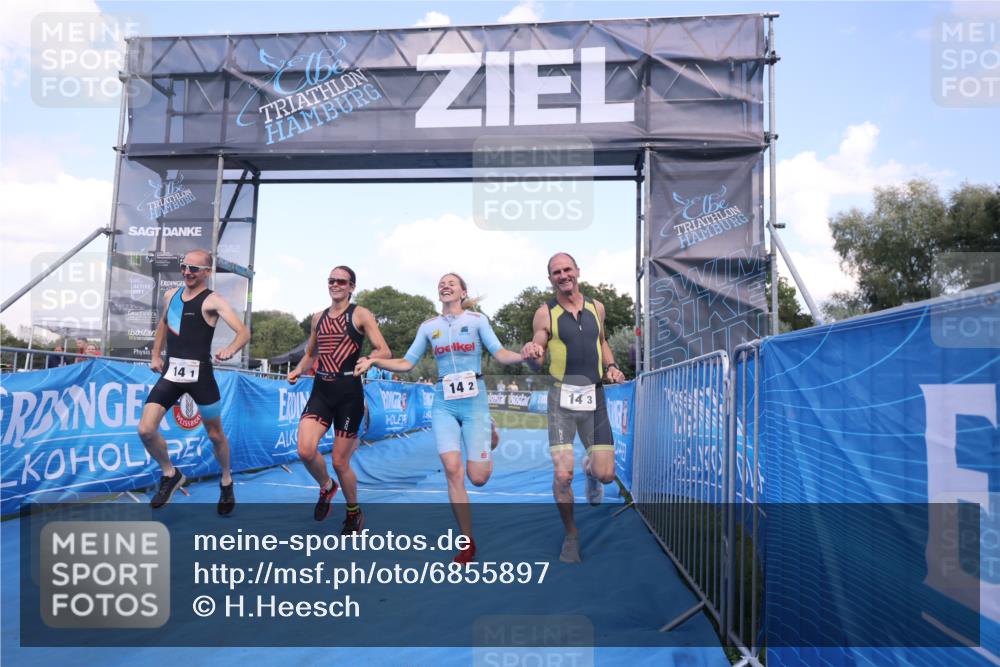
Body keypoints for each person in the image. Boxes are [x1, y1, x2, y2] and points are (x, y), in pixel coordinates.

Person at [356, 273, 531, 563]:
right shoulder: (429, 327)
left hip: (474, 401)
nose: (445, 285)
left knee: (478, 478)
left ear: (463, 292)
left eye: (452, 283)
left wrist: (523, 355)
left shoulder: (477, 321)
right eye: (442, 283)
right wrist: (375, 360)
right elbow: (407, 362)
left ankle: (488, 431)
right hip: (444, 402)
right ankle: (466, 542)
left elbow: (499, 353)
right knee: (452, 469)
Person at [522, 252, 626, 563]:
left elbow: (603, 341)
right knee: (562, 475)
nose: (563, 275)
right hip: (561, 399)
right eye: (556, 272)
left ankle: (591, 473)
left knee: (607, 475)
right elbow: (539, 351)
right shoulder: (545, 313)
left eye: (567, 269)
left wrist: (612, 366)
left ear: (578, 271)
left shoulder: (598, 307)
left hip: (594, 397)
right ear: (550, 278)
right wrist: (533, 352)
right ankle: (571, 535)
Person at [137, 249, 251, 515]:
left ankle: (226, 479)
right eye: (184, 266)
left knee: (214, 434)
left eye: (194, 269)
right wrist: (155, 354)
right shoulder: (171, 295)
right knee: (145, 430)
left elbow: (243, 331)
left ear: (207, 273)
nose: (187, 272)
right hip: (172, 374)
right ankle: (171, 473)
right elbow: (164, 324)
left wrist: (230, 350)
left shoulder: (213, 300)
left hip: (200, 376)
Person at [289, 266, 390, 534]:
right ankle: (327, 486)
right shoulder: (318, 317)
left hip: (349, 393)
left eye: (341, 281)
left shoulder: (360, 314)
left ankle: (354, 513)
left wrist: (370, 359)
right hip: (321, 390)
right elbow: (311, 353)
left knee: (339, 461)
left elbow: (384, 350)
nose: (335, 285)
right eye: (331, 280)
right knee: (305, 450)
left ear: (351, 286)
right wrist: (299, 369)